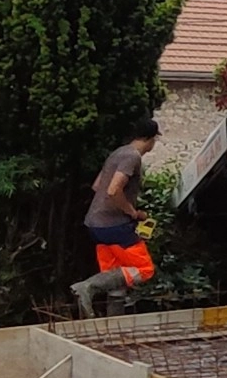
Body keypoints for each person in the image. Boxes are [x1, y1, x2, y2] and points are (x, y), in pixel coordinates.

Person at [69, 118, 161, 317]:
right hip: (114, 225)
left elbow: (97, 186)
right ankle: (87, 287)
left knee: (116, 276)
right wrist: (132, 212)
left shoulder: (117, 153)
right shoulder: (132, 157)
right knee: (145, 269)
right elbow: (113, 190)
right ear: (151, 139)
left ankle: (113, 325)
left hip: (95, 224)